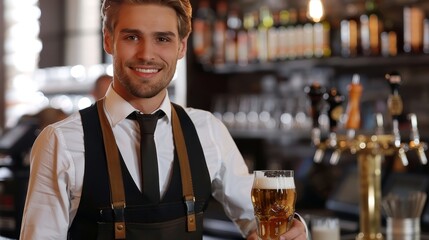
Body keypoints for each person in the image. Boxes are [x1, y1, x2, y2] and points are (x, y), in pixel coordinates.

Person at [19, 0, 308, 239]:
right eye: (132, 37)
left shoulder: (207, 130)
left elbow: (258, 219)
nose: (147, 54)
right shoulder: (60, 141)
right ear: (108, 40)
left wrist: (297, 230)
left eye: (162, 39)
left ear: (181, 47)